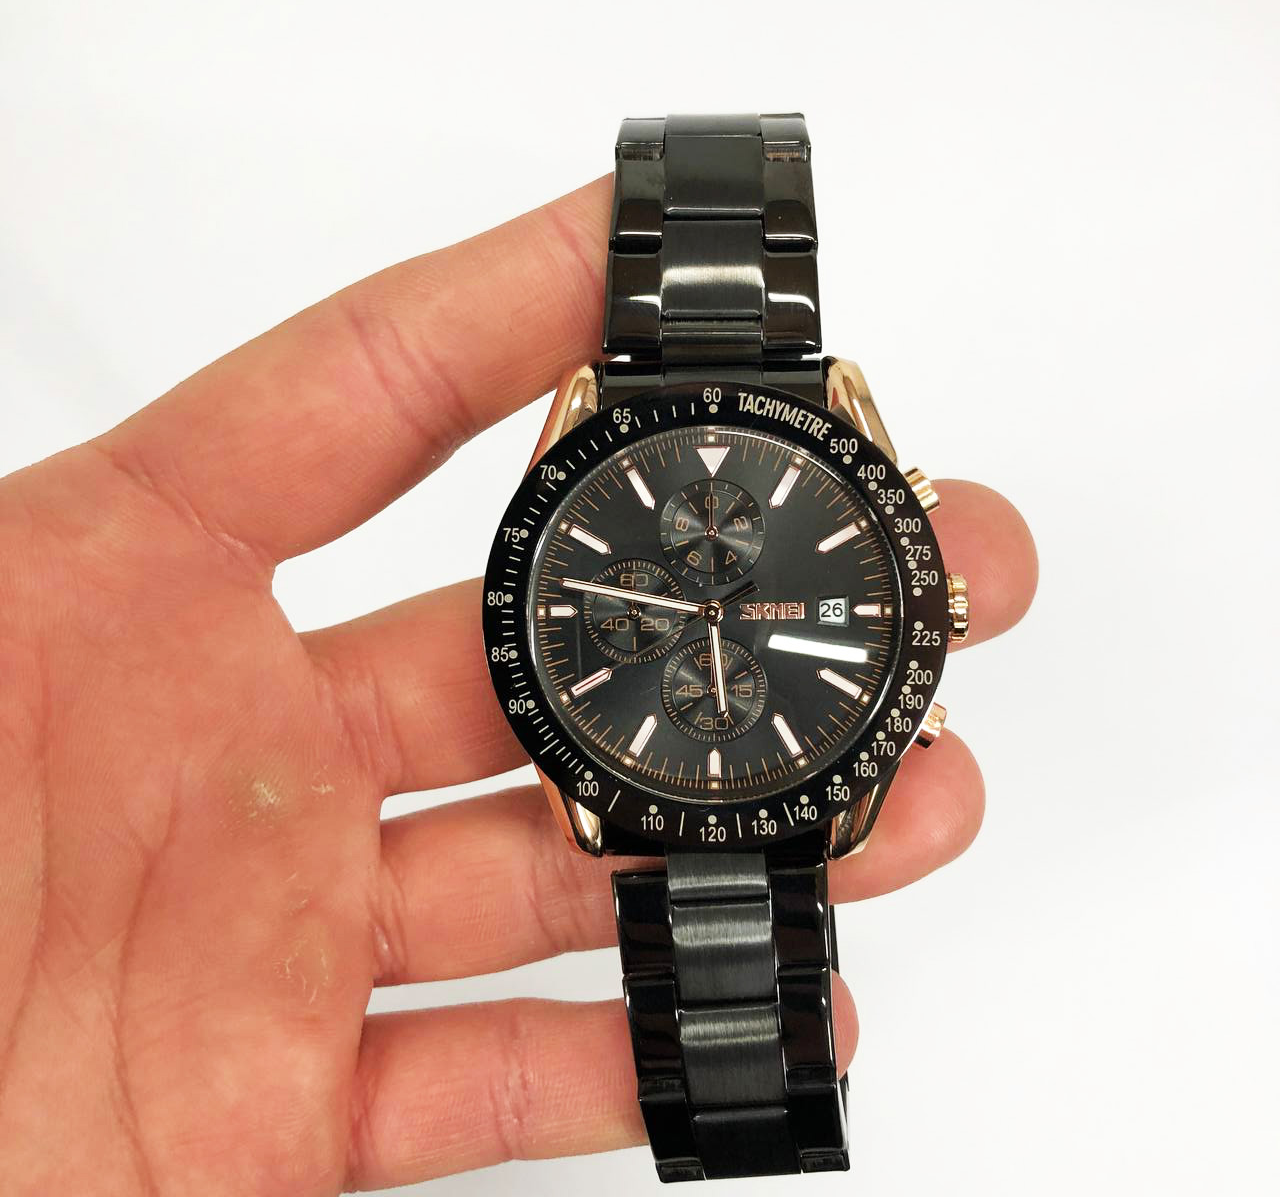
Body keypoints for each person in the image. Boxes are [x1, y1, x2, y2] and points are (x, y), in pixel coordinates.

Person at [0, 179, 1036, 1193]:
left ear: (931, 607)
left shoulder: (783, 418)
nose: (711, 612)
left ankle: (751, 1113)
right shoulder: (648, 445)